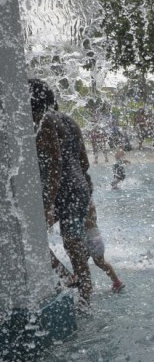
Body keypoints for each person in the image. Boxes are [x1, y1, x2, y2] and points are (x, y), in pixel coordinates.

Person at [29, 79, 93, 307]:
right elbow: (84, 162)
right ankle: (85, 295)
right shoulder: (69, 120)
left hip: (61, 191)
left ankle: (67, 277)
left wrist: (48, 203)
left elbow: (55, 165)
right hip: (79, 188)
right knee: (73, 242)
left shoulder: (44, 121)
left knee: (30, 236)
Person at [85, 200, 125, 293]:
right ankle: (116, 281)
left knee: (87, 263)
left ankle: (86, 286)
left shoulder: (86, 202)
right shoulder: (88, 201)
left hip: (91, 237)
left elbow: (88, 221)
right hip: (94, 236)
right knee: (99, 262)